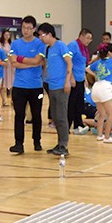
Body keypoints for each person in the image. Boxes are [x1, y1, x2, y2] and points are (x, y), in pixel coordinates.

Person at [8, 15, 46, 155]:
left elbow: (38, 60)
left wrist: (21, 62)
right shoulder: (15, 44)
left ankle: (37, 141)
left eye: (29, 28)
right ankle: (19, 143)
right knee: (19, 115)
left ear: (34, 29)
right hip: (19, 86)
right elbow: (13, 62)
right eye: (24, 28)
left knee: (36, 115)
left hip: (36, 86)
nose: (26, 31)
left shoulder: (39, 44)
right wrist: (31, 63)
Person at [37, 23, 72, 157]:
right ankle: (59, 143)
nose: (41, 38)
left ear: (50, 34)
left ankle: (64, 145)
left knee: (62, 117)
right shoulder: (48, 49)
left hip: (61, 86)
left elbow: (69, 63)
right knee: (55, 117)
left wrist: (67, 81)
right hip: (51, 86)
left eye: (42, 35)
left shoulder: (61, 46)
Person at [67, 29, 93, 132]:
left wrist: (85, 78)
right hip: (74, 79)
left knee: (79, 104)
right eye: (87, 38)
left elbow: (82, 65)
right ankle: (67, 125)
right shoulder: (73, 45)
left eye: (90, 39)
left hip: (80, 78)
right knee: (71, 104)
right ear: (81, 36)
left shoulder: (84, 48)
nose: (89, 41)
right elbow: (68, 62)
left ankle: (78, 124)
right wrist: (71, 77)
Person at [0, 29, 14, 106]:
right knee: (3, 83)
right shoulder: (0, 44)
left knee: (11, 82)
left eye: (8, 35)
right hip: (4, 64)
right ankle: (4, 100)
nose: (7, 36)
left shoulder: (11, 44)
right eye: (5, 35)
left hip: (11, 64)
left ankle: (12, 99)